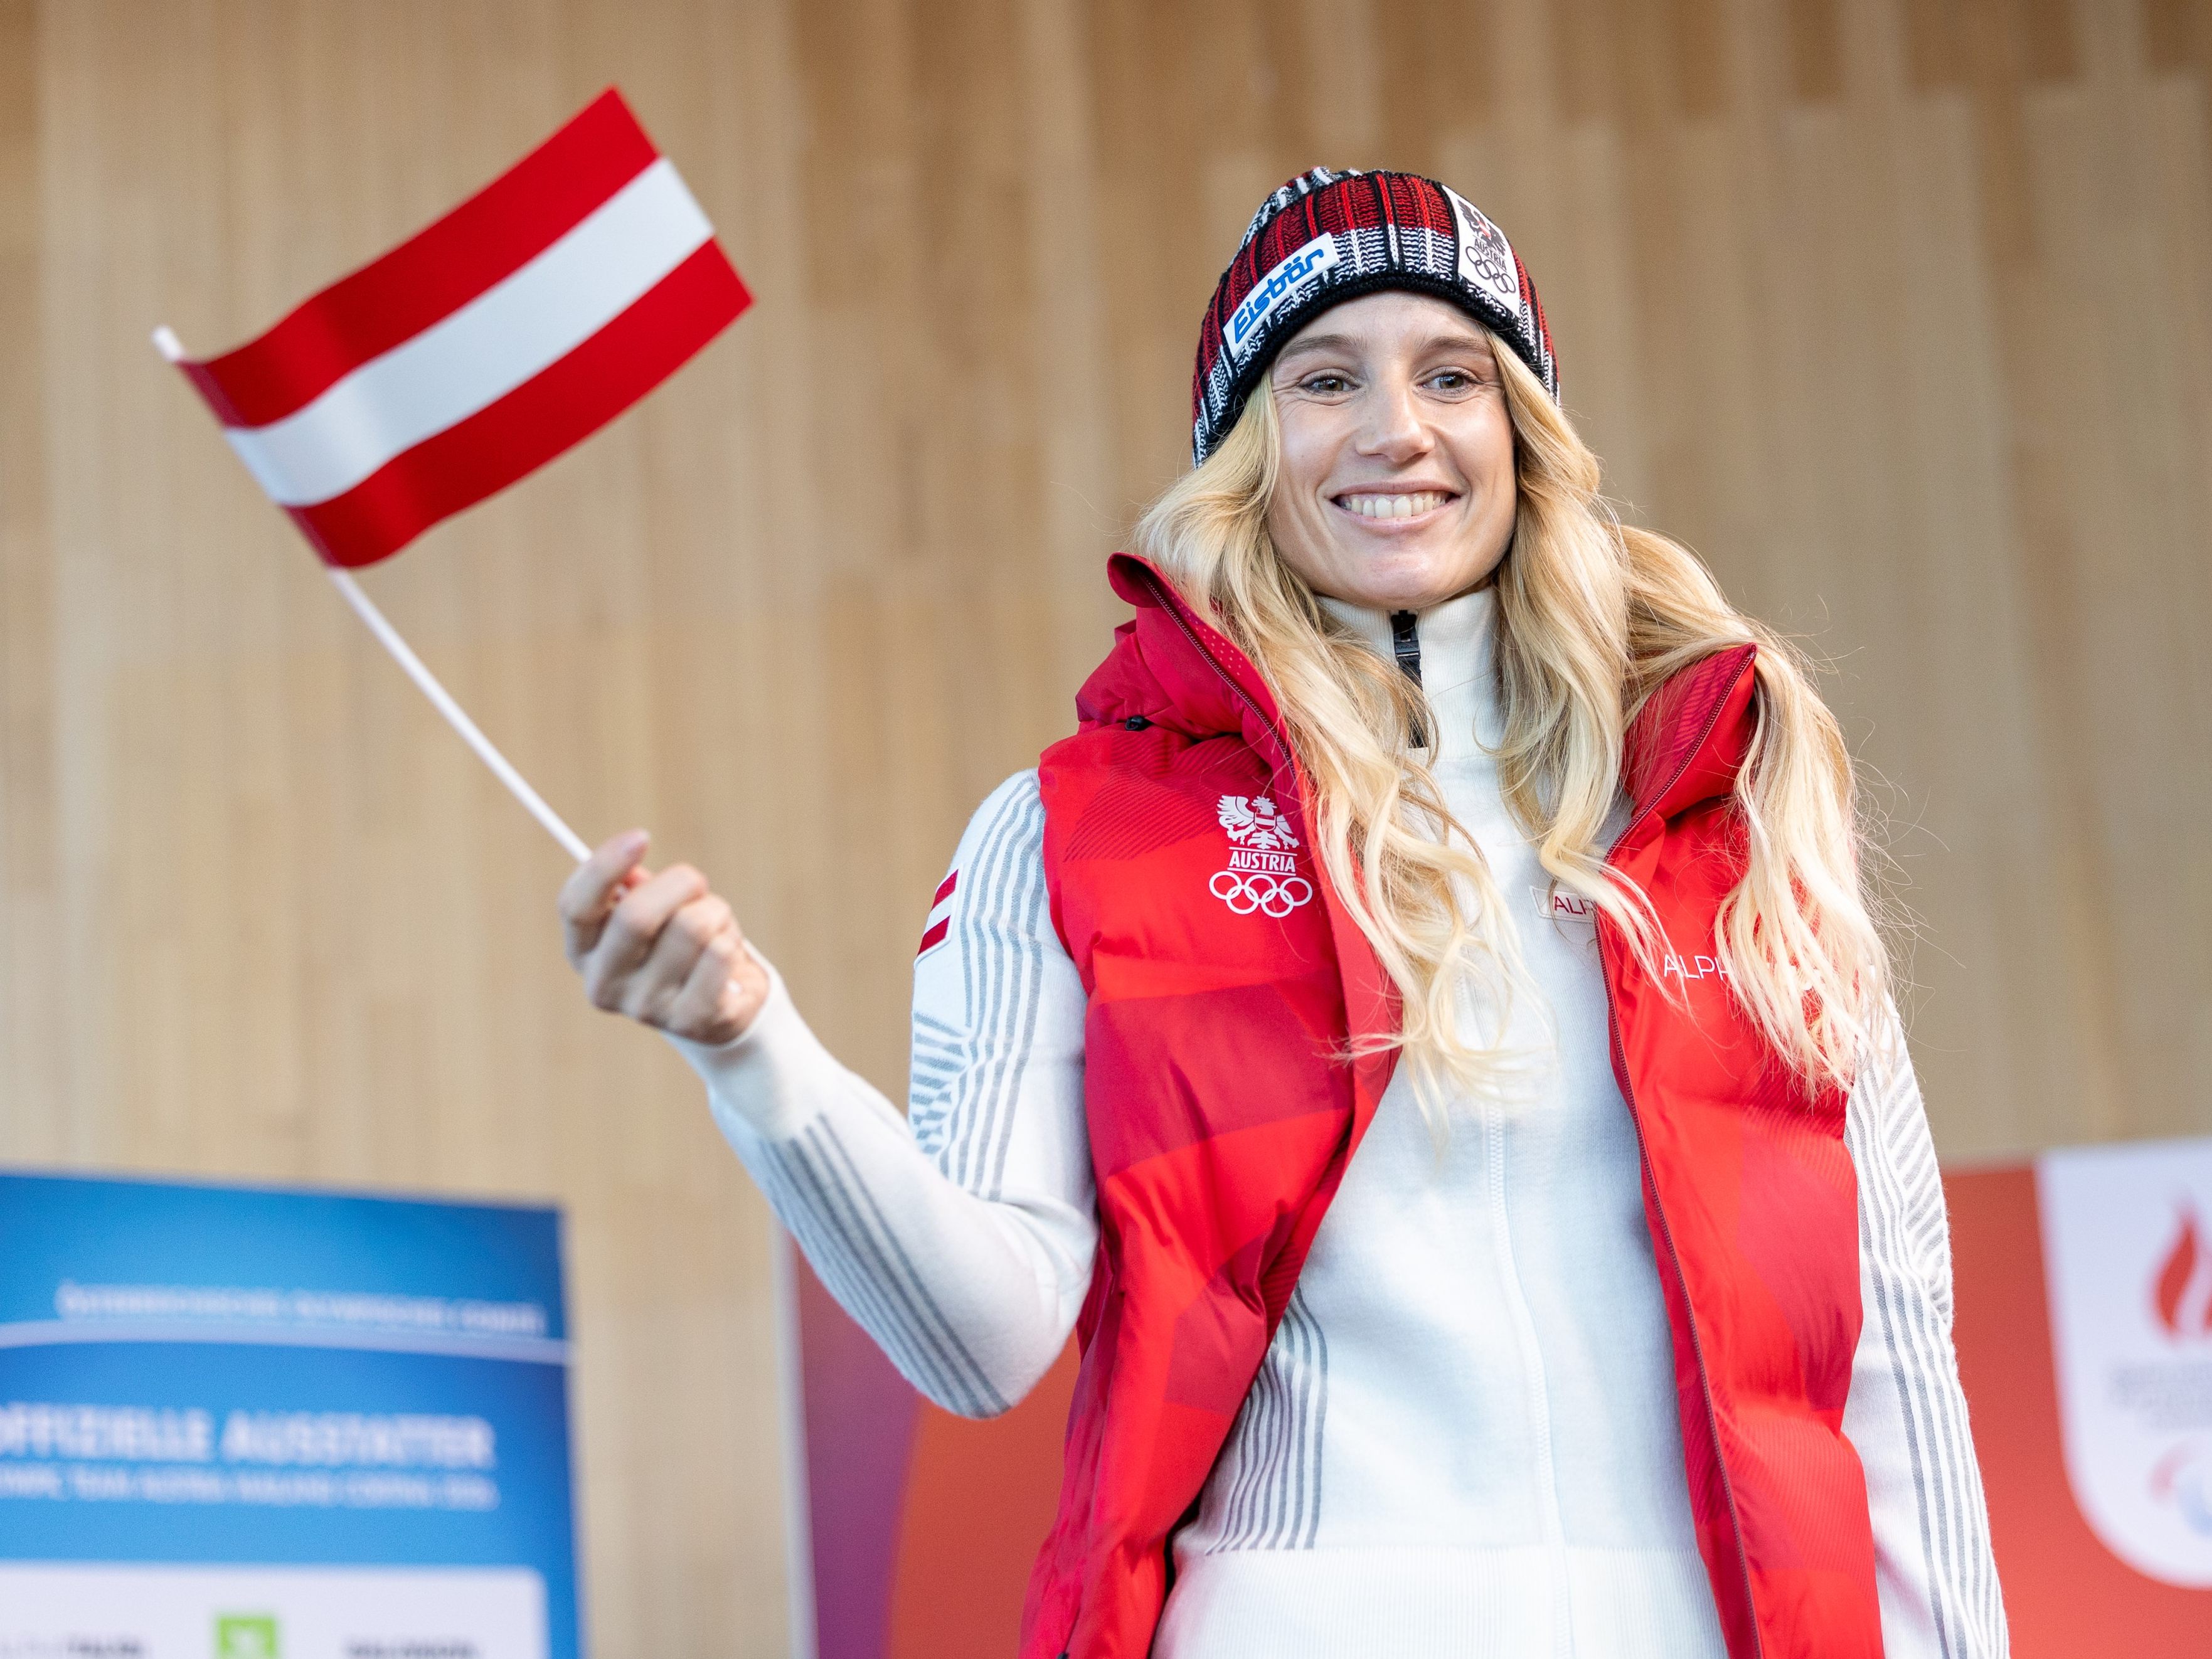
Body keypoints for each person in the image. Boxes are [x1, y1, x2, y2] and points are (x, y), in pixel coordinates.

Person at [558, 169, 2007, 1659]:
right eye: (1324, 379)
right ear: (1245, 449)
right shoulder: (1073, 834)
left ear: (1521, 428)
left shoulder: (1715, 808)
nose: (1396, 430)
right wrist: (752, 1053)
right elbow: (976, 1344)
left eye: (1451, 374)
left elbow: (1891, 1362)